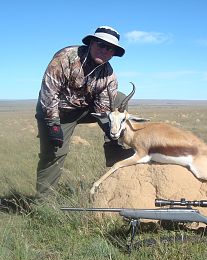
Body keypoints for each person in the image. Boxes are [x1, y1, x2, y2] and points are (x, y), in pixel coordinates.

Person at [35, 26, 134, 199]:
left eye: (109, 48)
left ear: (113, 53)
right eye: (100, 44)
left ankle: (113, 151)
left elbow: (104, 108)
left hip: (84, 109)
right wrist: (53, 125)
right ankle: (43, 203)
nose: (104, 50)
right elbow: (49, 93)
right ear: (91, 43)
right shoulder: (65, 58)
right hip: (56, 111)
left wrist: (113, 132)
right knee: (54, 153)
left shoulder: (108, 74)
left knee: (118, 100)